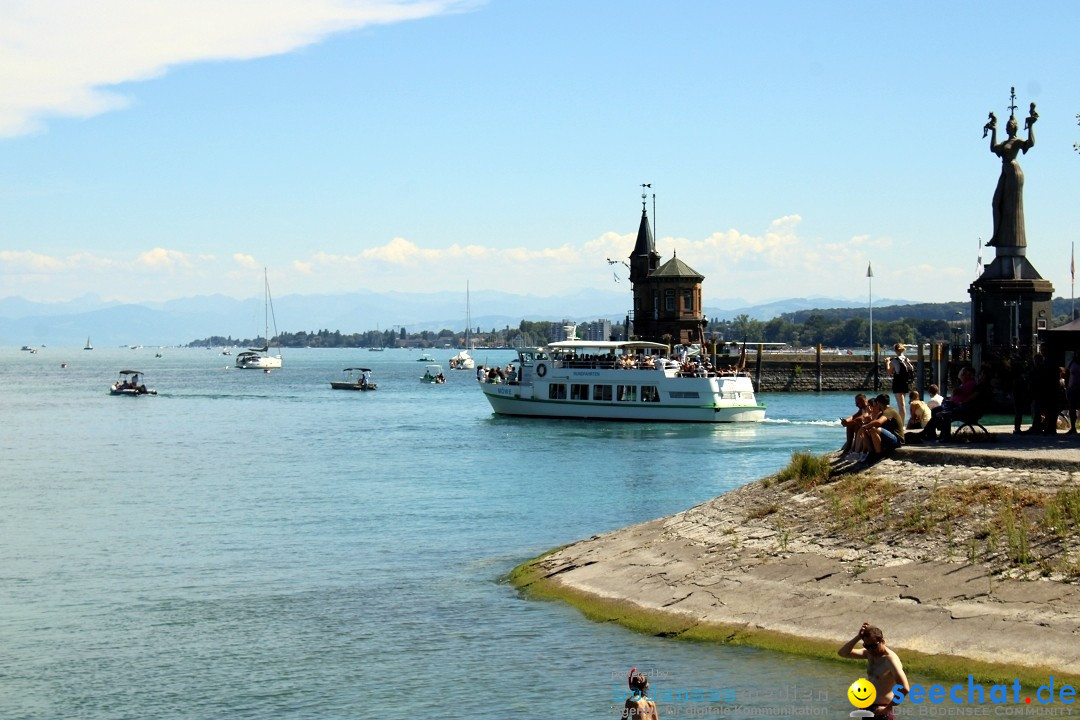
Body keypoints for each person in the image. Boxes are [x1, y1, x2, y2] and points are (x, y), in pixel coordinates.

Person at [984, 97, 1037, 249]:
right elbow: (993, 148)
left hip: (1014, 172)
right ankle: (996, 236)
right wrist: (994, 130)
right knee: (996, 203)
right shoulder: (1004, 143)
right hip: (1005, 171)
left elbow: (1030, 143)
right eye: (1006, 126)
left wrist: (1031, 126)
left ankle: (1011, 240)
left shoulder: (1017, 142)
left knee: (1012, 207)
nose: (1007, 128)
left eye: (1010, 126)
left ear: (1014, 128)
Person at [838, 623, 910, 720]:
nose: (871, 649)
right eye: (866, 646)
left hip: (882, 710)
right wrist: (858, 637)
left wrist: (887, 709)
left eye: (873, 646)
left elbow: (905, 688)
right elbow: (842, 653)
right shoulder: (869, 654)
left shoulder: (890, 660)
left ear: (882, 641)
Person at [885, 343, 913, 428]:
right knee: (902, 403)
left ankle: (901, 425)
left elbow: (889, 371)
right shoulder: (906, 359)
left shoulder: (894, 361)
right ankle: (902, 423)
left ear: (895, 350)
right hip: (905, 383)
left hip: (898, 383)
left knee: (901, 405)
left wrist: (887, 362)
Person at [1067, 351, 1080, 435]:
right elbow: (1067, 373)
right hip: (1072, 388)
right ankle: (1073, 427)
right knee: (1072, 408)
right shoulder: (1072, 362)